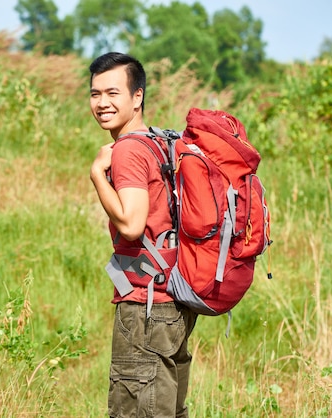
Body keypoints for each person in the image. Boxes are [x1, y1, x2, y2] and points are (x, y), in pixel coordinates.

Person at [89, 52, 198, 418]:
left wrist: (95, 175)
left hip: (145, 306)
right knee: (167, 409)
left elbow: (132, 224)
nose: (102, 103)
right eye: (95, 94)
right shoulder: (161, 142)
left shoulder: (130, 151)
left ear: (137, 97)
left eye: (113, 93)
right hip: (174, 300)